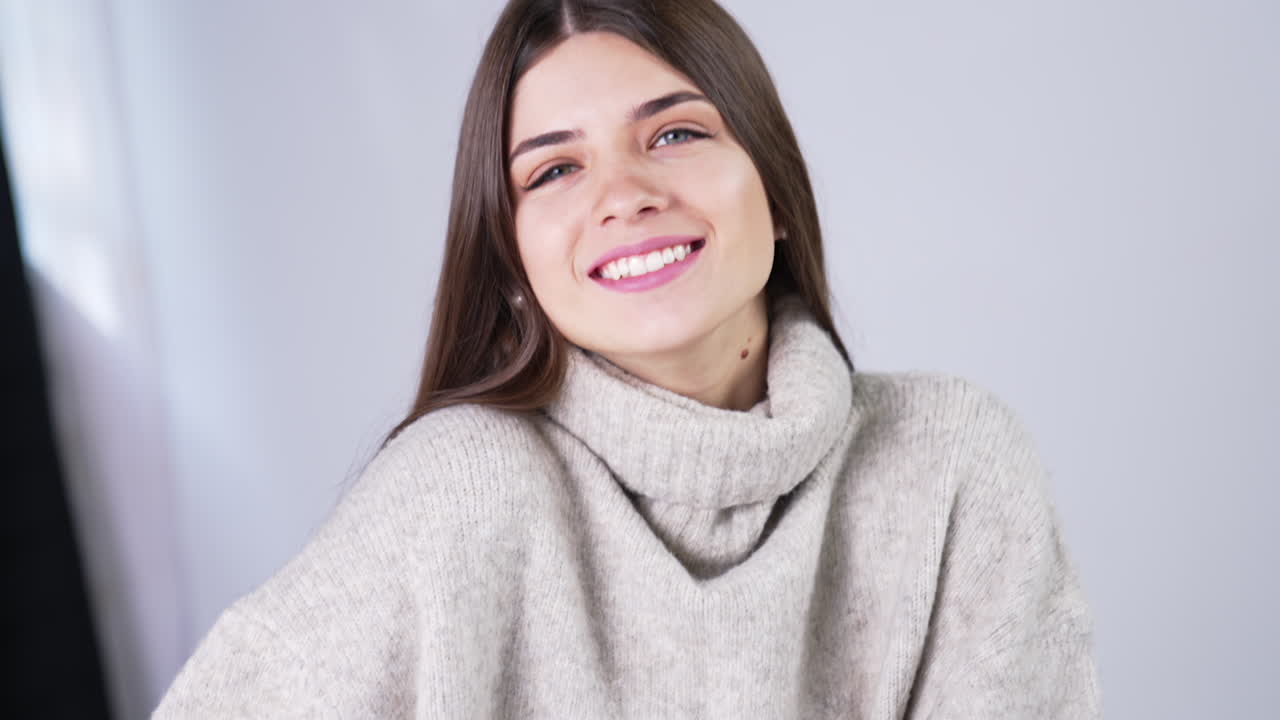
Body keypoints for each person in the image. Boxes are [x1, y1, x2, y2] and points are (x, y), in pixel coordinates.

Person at [154, 0, 1102, 717]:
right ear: (513, 259)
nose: (624, 195)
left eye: (675, 133)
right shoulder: (461, 492)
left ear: (775, 193)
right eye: (555, 170)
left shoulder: (951, 464)